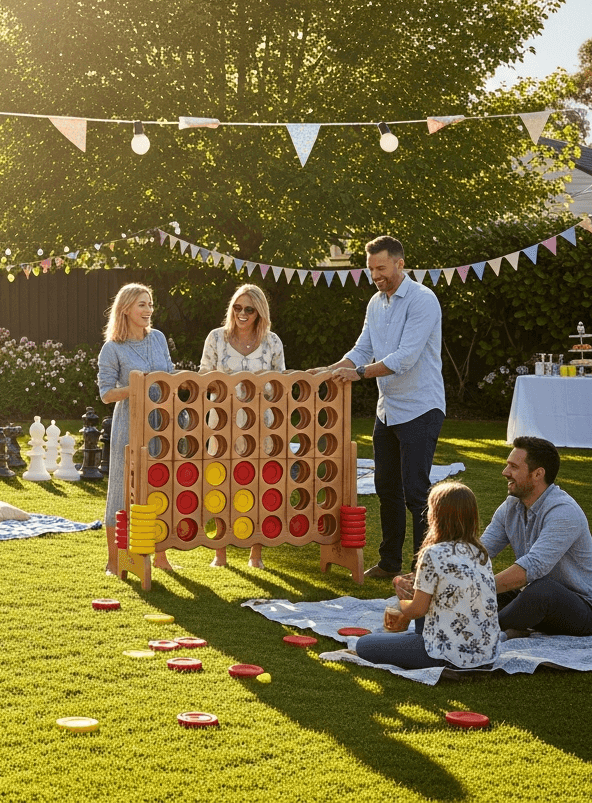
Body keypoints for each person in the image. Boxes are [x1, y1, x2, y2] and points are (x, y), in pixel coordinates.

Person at [314, 236, 444, 581]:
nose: (376, 275)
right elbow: (361, 350)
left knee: (417, 492)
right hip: (388, 409)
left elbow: (404, 358)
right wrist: (327, 372)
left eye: (381, 268)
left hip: (421, 406)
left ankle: (422, 568)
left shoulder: (423, 300)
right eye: (371, 269)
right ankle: (390, 563)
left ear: (400, 264)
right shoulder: (376, 302)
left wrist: (358, 374)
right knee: (387, 487)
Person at [355, 481, 499, 670]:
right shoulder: (480, 553)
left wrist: (401, 602)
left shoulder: (433, 553)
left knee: (364, 644)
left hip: (444, 655)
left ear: (436, 515)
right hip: (486, 655)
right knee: (401, 638)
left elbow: (417, 610)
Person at [481, 436, 592, 637]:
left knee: (541, 591)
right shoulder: (511, 506)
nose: (505, 472)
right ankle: (500, 627)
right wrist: (437, 576)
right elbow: (480, 551)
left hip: (589, 613)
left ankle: (477, 631)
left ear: (537, 474)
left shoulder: (564, 512)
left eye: (513, 467)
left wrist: (472, 587)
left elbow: (533, 567)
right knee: (485, 591)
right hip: (540, 600)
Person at [199, 284, 285, 569]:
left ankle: (255, 554)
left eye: (249, 309)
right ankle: (219, 554)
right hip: (222, 421)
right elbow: (204, 379)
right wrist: (230, 386)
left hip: (261, 423)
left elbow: (280, 386)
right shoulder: (216, 338)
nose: (242, 313)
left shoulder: (272, 342)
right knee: (220, 483)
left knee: (258, 483)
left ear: (260, 312)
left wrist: (259, 386)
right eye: (237, 307)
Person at [98, 283, 175, 575]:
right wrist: (137, 388)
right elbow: (106, 393)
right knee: (121, 490)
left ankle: (162, 557)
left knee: (161, 485)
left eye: (150, 304)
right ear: (126, 308)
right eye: (142, 304)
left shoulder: (157, 338)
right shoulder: (112, 348)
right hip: (129, 424)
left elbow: (169, 372)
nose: (148, 310)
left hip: (162, 423)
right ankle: (114, 560)